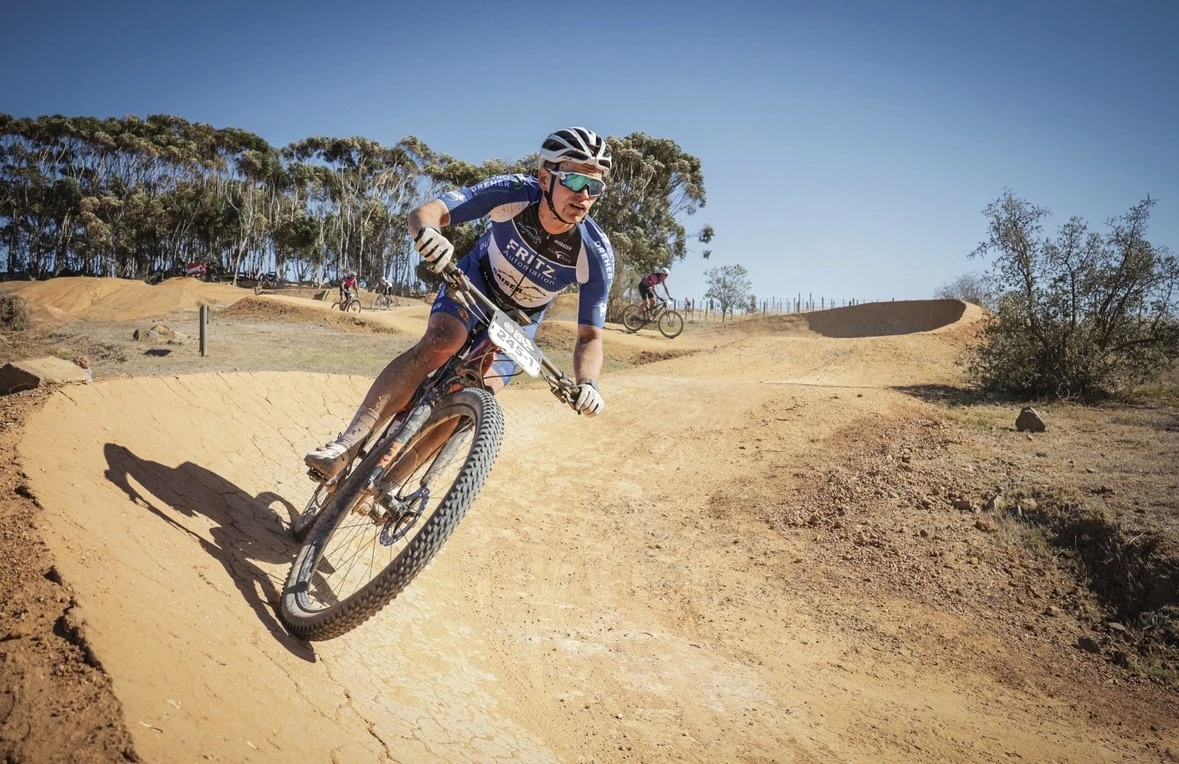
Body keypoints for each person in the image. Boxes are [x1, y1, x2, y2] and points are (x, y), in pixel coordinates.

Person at [305, 127, 615, 480]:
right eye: (574, 181)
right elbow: (427, 212)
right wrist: (430, 234)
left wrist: (588, 383)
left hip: (520, 320)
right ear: (545, 177)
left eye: (596, 186)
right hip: (474, 282)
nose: (585, 195)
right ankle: (347, 445)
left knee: (473, 397)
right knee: (443, 341)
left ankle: (389, 484)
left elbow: (591, 338)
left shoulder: (594, 252)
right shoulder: (514, 192)